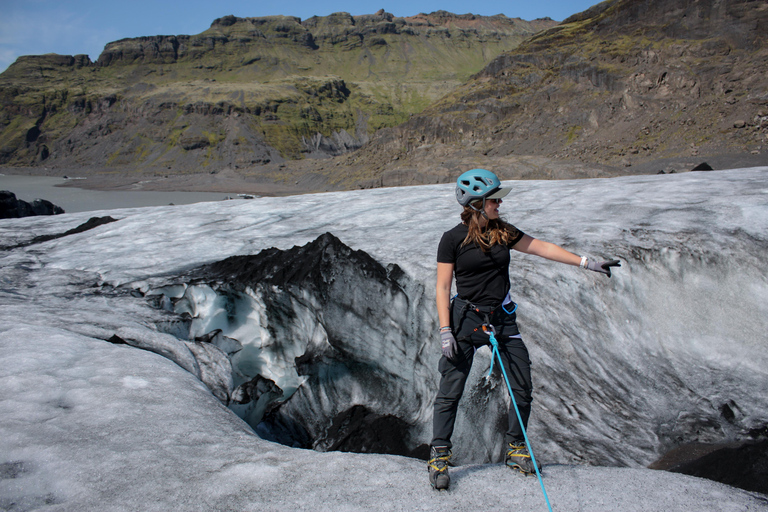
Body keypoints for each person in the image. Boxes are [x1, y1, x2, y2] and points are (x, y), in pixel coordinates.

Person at [428, 169, 620, 490]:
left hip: (502, 319)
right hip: (466, 320)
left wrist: (587, 263)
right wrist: (445, 330)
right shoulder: (452, 239)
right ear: (476, 204)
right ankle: (439, 456)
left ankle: (516, 449)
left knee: (522, 387)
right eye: (494, 200)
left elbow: (541, 247)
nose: (499, 204)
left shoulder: (503, 232)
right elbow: (443, 286)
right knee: (451, 390)